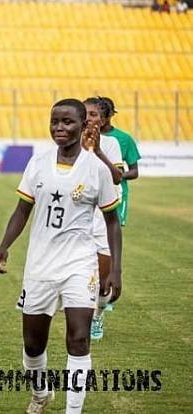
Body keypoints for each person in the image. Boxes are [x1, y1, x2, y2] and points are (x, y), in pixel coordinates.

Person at [0, 99, 122, 414]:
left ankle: (72, 410)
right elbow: (22, 210)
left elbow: (112, 221)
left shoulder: (97, 169)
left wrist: (115, 269)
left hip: (80, 263)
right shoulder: (38, 163)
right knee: (33, 344)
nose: (60, 128)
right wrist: (5, 245)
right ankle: (41, 393)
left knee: (78, 340)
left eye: (68, 122)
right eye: (55, 122)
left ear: (83, 125)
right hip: (40, 265)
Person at [82, 97, 124, 340]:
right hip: (78, 216)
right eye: (85, 113)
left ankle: (97, 315)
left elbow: (117, 177)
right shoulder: (71, 141)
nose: (89, 118)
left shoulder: (110, 144)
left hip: (103, 217)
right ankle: (81, 314)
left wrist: (97, 151)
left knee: (103, 278)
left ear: (103, 119)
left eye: (94, 114)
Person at [98, 96, 140, 227]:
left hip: (116, 193)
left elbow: (134, 172)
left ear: (110, 115)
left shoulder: (124, 139)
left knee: (113, 230)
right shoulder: (85, 136)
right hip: (93, 191)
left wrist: (117, 175)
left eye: (101, 115)